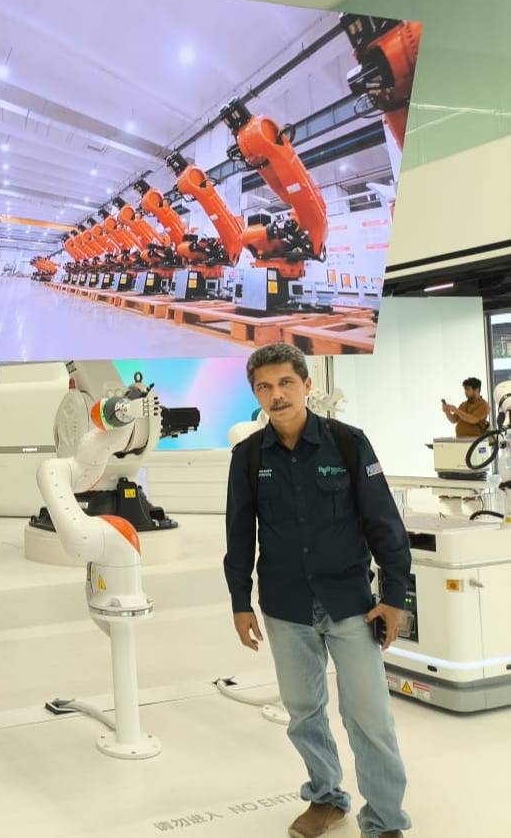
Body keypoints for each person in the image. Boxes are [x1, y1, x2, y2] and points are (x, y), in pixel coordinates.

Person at [224, 343, 412, 838]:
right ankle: (326, 798)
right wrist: (240, 602)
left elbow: (384, 523)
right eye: (265, 387)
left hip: (350, 604)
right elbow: (239, 535)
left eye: (286, 382)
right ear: (256, 395)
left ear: (307, 385)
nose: (277, 395)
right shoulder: (248, 458)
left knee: (369, 716)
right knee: (303, 713)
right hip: (285, 607)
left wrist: (394, 597)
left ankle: (385, 821)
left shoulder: (348, 443)